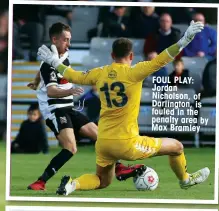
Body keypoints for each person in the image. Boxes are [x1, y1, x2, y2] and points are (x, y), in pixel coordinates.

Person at [37, 20, 210, 195]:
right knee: (177, 147)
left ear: (112, 55)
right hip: (128, 143)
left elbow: (73, 75)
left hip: (103, 142)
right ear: (132, 56)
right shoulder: (135, 72)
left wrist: (54, 62)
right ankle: (185, 180)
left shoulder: (100, 73)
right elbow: (162, 59)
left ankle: (72, 184)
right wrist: (183, 42)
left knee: (102, 180)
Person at [27, 22, 146, 191]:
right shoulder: (49, 64)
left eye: (70, 40)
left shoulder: (62, 57)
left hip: (69, 108)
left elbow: (41, 70)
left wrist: (36, 81)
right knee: (71, 148)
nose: (69, 44)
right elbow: (52, 91)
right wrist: (72, 90)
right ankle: (41, 181)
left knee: (101, 136)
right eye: (66, 40)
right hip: (55, 110)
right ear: (54, 39)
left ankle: (119, 168)